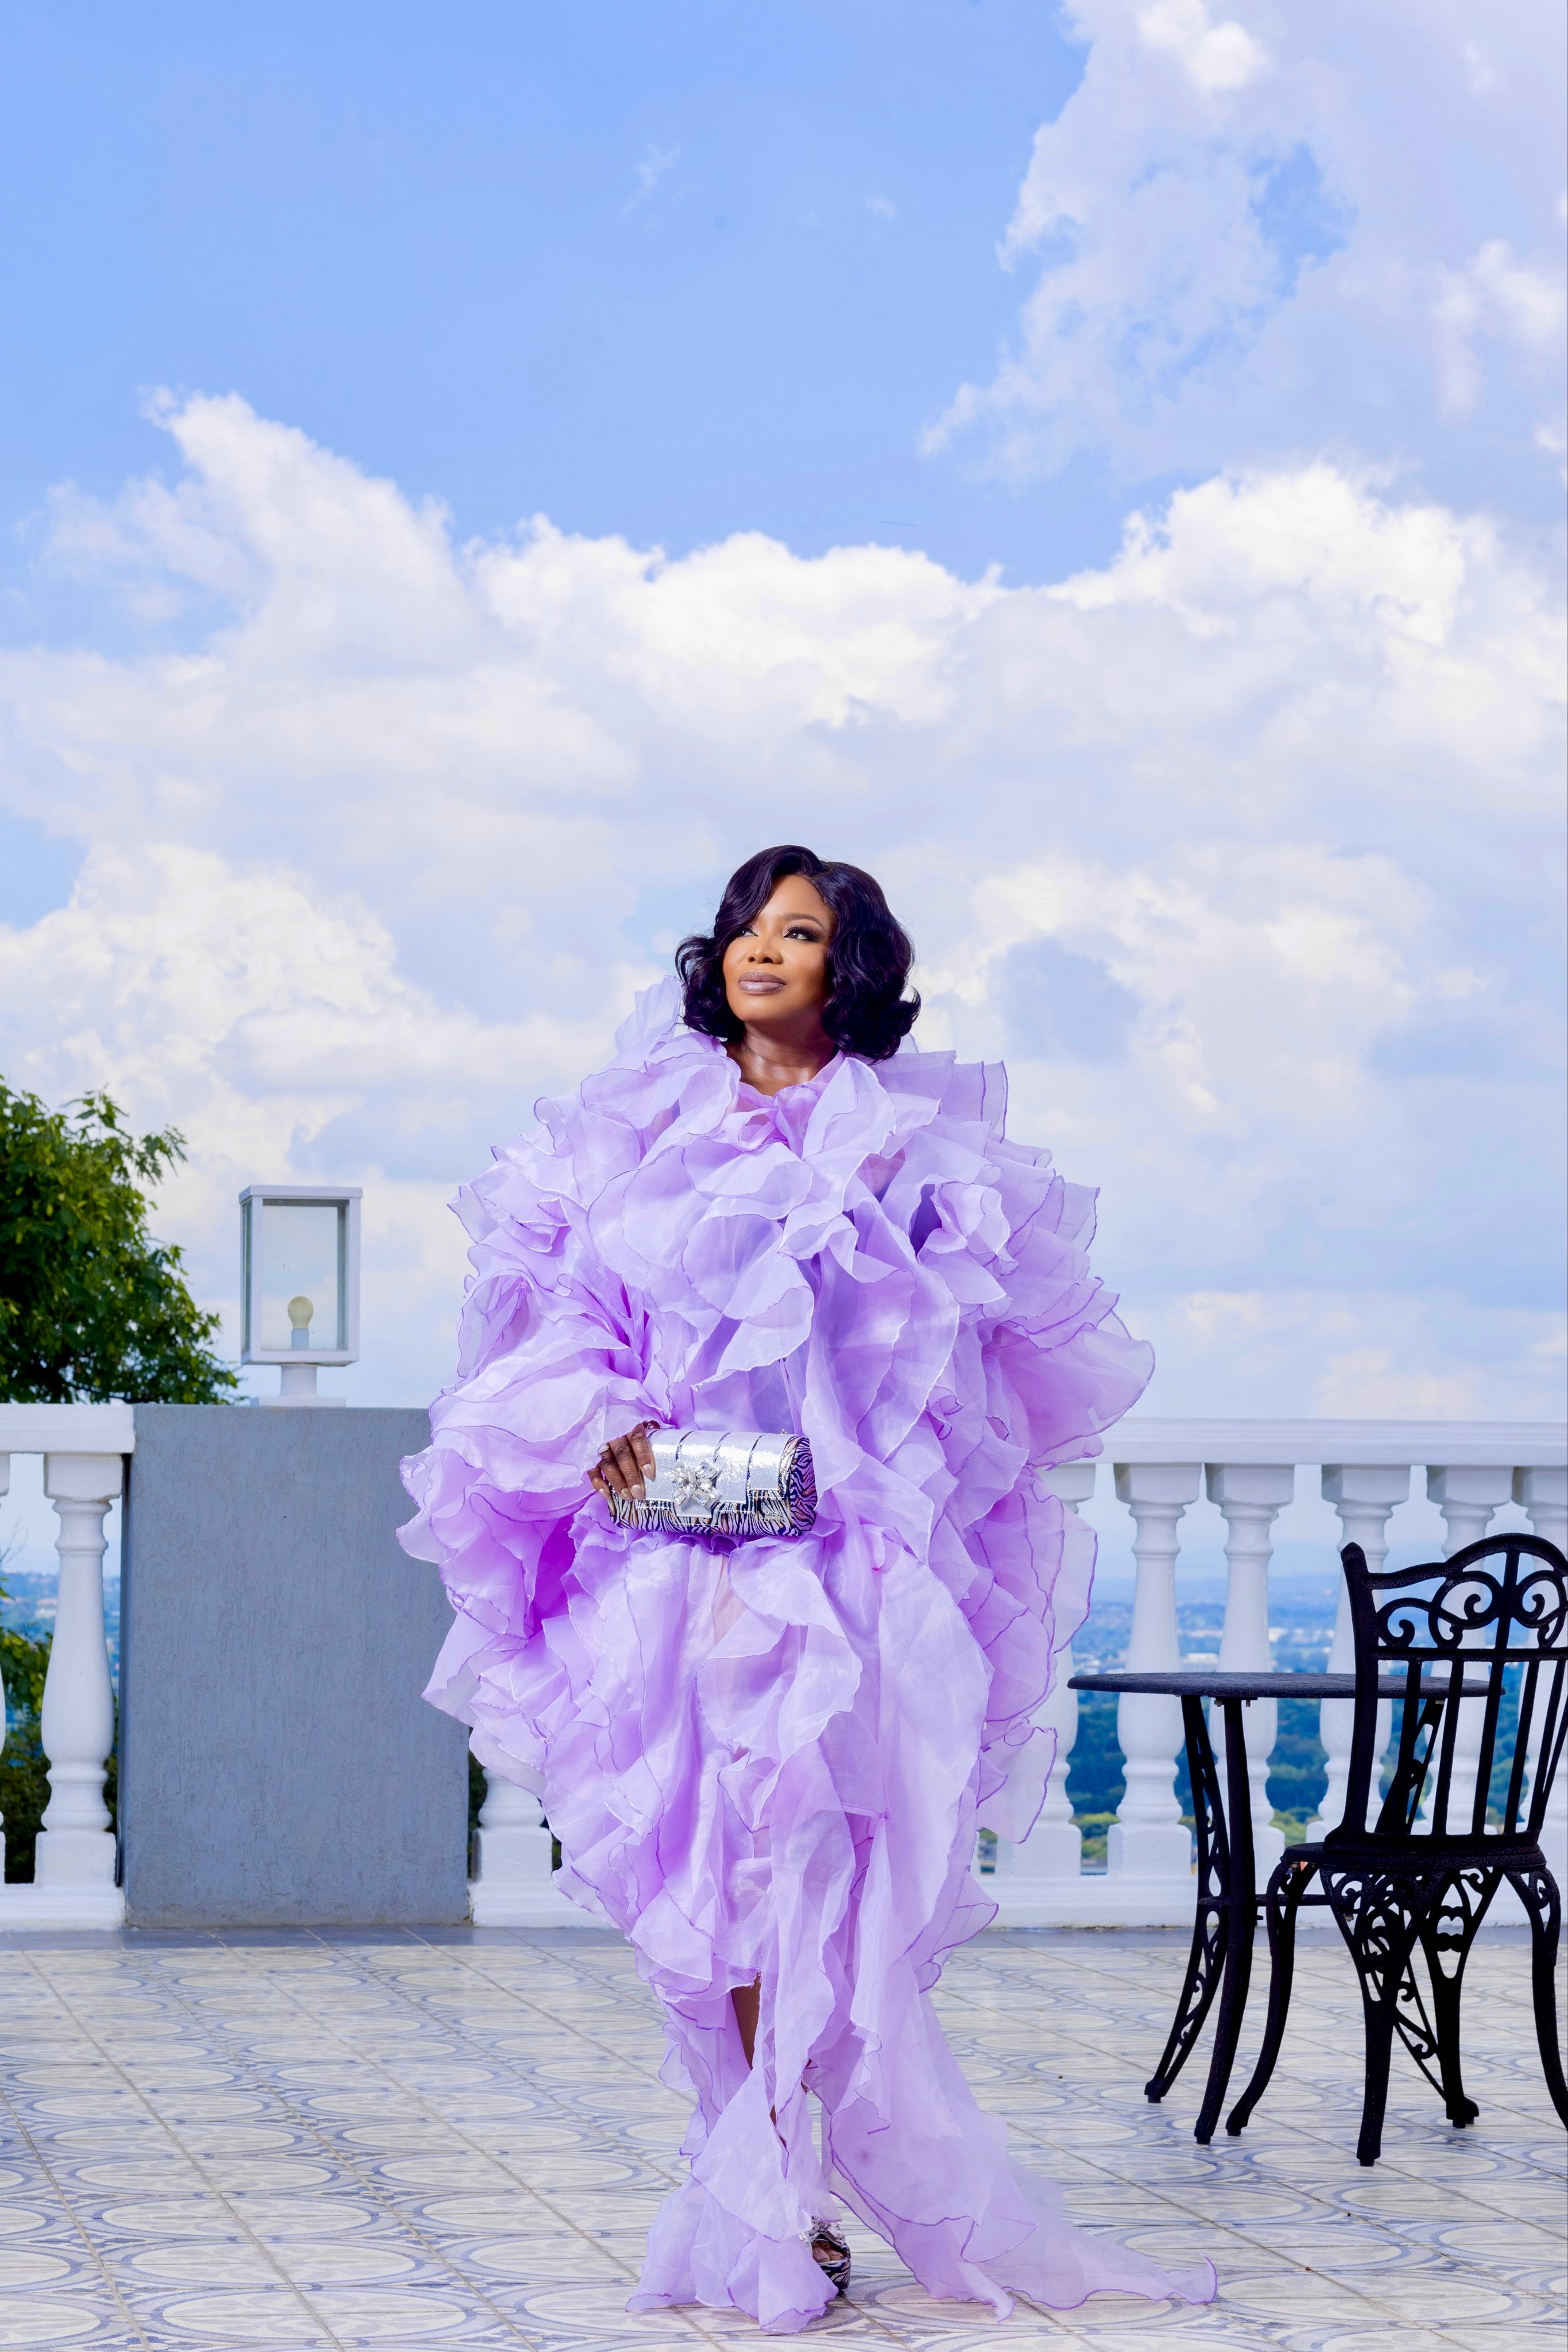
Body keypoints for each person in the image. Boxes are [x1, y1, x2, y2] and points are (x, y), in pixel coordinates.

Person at [400, 845, 1215, 2332]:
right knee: (711, 1889)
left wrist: (839, 1491)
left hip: (841, 1572)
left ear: (851, 966)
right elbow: (561, 1319)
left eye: (798, 931)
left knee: (819, 1887)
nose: (759, 951)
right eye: (743, 929)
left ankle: (788, 2178)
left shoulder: (909, 1151)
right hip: (676, 1569)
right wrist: (637, 1440)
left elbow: (954, 1380)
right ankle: (766, 2177)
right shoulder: (635, 1127)